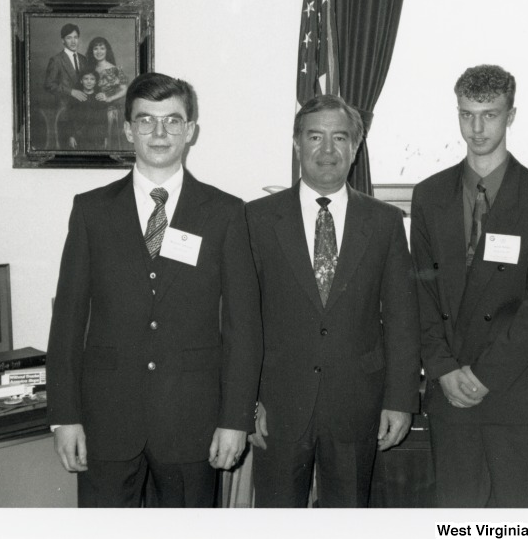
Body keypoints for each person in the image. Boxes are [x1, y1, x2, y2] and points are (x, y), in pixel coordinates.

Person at [46, 72, 263, 508]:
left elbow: (244, 328)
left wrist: (235, 420)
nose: (159, 133)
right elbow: (68, 321)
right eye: (146, 121)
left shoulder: (225, 213)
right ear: (128, 129)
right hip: (106, 422)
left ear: (190, 131)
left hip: (192, 423)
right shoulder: (90, 211)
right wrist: (64, 417)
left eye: (172, 121)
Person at [245, 95, 421, 507]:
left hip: (357, 407)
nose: (327, 150)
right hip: (276, 408)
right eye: (315, 137)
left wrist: (400, 400)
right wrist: (245, 403)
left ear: (355, 147)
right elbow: (239, 321)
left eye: (339, 137)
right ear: (297, 144)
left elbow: (402, 319)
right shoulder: (256, 220)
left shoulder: (385, 223)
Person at [410, 64, 528, 507]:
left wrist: (484, 376)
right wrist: (442, 369)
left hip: (515, 392)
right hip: (450, 393)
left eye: (490, 115)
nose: (476, 128)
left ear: (511, 115)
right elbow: (421, 293)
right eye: (466, 115)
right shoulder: (428, 196)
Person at [44, 23, 87, 146]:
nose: (73, 41)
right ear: (63, 40)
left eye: (75, 37)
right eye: (69, 38)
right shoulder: (56, 60)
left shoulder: (84, 59)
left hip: (83, 113)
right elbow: (48, 85)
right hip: (65, 113)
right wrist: (71, 91)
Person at [85, 36, 130, 150]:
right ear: (92, 51)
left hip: (108, 112)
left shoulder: (114, 69)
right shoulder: (89, 68)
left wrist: (109, 98)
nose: (99, 51)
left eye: (102, 48)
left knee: (107, 144)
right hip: (91, 111)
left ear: (107, 50)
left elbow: (125, 89)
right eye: (95, 48)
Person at [67, 67, 107, 150]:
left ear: (96, 82)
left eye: (92, 79)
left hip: (96, 137)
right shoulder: (75, 98)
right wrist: (71, 136)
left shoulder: (99, 98)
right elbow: (70, 119)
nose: (89, 81)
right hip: (79, 136)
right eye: (86, 79)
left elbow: (104, 120)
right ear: (81, 81)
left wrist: (105, 137)